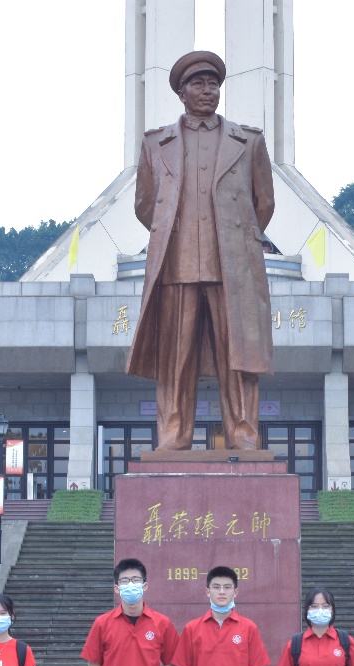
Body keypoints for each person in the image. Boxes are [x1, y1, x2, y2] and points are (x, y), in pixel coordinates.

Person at [126, 49, 276, 451]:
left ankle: (243, 433)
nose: (207, 91)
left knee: (239, 356)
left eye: (213, 84)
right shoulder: (156, 144)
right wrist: (177, 234)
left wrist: (236, 238)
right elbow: (146, 205)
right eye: (198, 84)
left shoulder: (249, 141)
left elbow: (263, 203)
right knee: (174, 357)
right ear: (182, 92)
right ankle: (173, 434)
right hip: (177, 264)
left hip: (232, 268)